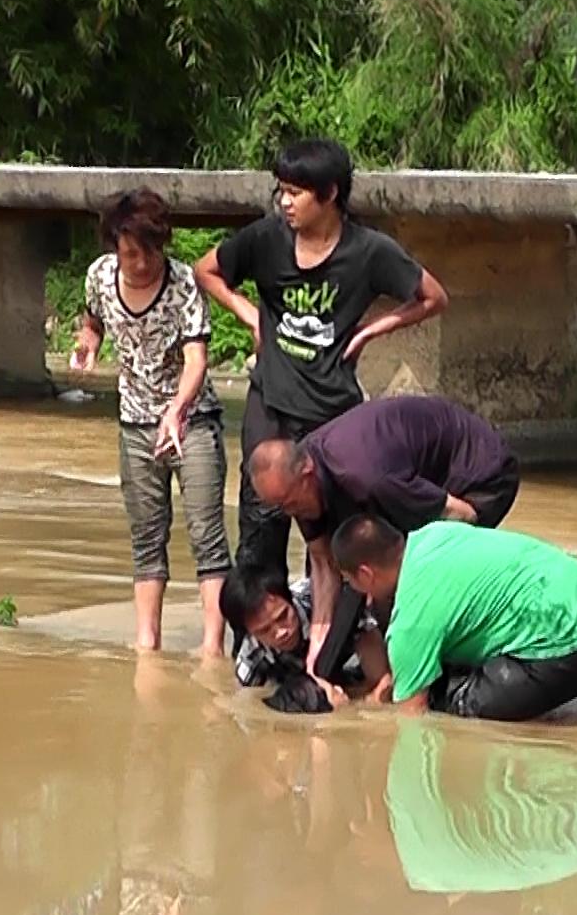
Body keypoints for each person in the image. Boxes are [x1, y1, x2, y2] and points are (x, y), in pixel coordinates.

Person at [192, 138, 449, 583]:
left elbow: (433, 297)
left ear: (329, 195)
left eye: (296, 192)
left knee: (341, 538)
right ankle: (258, 644)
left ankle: (339, 638)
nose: (285, 202)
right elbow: (205, 270)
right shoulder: (266, 239)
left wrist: (374, 328)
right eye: (282, 191)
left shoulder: (369, 251)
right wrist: (249, 314)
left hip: (332, 415)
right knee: (260, 528)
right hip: (270, 404)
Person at [245, 394, 520, 669]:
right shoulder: (298, 485)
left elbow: (461, 515)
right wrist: (317, 654)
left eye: (290, 503)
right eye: (281, 507)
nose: (291, 513)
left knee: (405, 581)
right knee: (376, 581)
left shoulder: (368, 477)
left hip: (480, 474)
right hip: (410, 477)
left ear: (307, 473)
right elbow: (323, 562)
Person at [74, 189, 230, 655]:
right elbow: (93, 322)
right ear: (114, 249)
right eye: (129, 254)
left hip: (191, 421)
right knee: (146, 536)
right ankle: (147, 644)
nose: (140, 264)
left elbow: (196, 360)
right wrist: (88, 344)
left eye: (149, 252)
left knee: (206, 533)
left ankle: (211, 647)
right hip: (135, 424)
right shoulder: (100, 277)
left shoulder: (183, 284)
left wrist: (176, 411)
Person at [331, 516, 577, 722]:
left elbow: (412, 721)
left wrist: (368, 712)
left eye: (350, 581)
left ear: (366, 574)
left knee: (449, 703)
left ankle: (575, 727)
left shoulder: (410, 623)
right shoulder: (435, 534)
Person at [219, 569, 389, 714]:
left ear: (290, 599)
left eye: (283, 616)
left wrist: (356, 709)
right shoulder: (251, 657)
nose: (281, 632)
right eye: (264, 630)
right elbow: (251, 708)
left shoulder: (333, 605)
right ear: (250, 634)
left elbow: (382, 681)